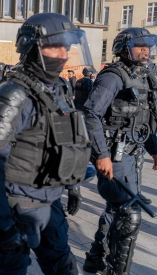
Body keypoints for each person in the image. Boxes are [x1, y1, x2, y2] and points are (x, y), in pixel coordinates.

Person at [0, 13, 94, 275]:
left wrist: (73, 186)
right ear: (31, 47)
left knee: (63, 267)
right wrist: (0, 225)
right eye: (55, 46)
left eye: (67, 46)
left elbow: (67, 139)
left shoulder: (58, 88)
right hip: (17, 206)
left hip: (50, 200)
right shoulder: (13, 93)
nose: (63, 54)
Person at [82, 27, 157, 275]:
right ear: (125, 49)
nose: (146, 50)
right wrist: (101, 154)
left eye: (148, 46)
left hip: (132, 154)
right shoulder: (113, 77)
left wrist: (154, 150)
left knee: (116, 209)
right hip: (114, 155)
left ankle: (95, 258)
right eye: (140, 46)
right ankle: (117, 271)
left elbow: (140, 121)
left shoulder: (144, 77)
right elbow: (90, 115)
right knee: (130, 215)